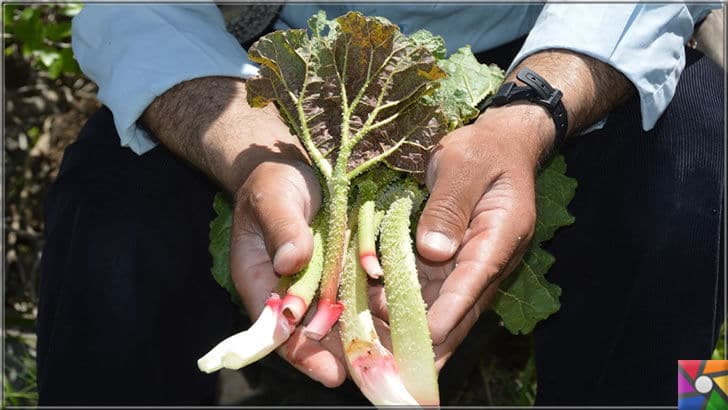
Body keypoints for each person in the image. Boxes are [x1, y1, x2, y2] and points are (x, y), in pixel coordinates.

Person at [37, 3, 724, 405]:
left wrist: (530, 113)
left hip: (552, 44)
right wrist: (242, 144)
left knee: (700, 171)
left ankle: (698, 393)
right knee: (103, 212)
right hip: (263, 52)